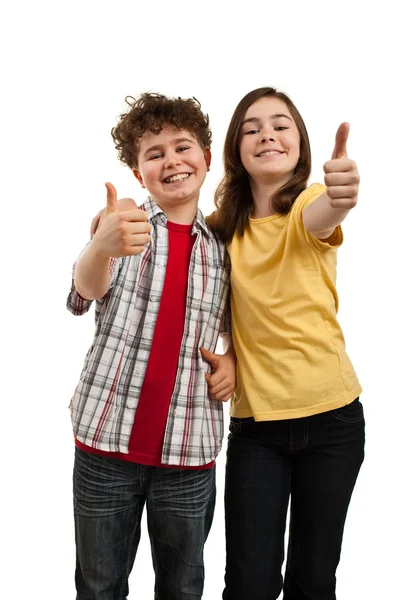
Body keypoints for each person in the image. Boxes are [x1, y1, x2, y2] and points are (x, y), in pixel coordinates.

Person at [66, 92, 235, 600]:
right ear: (140, 175)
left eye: (182, 147)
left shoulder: (225, 249)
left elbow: (246, 325)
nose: (171, 161)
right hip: (104, 444)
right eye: (154, 154)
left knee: (183, 586)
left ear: (206, 158)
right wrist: (99, 247)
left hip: (189, 451)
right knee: (99, 585)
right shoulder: (124, 227)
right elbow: (82, 294)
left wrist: (233, 360)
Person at [207, 87, 365, 600]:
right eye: (251, 128)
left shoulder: (310, 203)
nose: (266, 134)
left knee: (313, 580)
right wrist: (107, 227)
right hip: (257, 430)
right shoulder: (222, 231)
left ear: (300, 144)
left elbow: (327, 213)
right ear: (236, 149)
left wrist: (340, 194)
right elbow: (175, 241)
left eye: (280, 125)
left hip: (332, 420)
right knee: (249, 584)